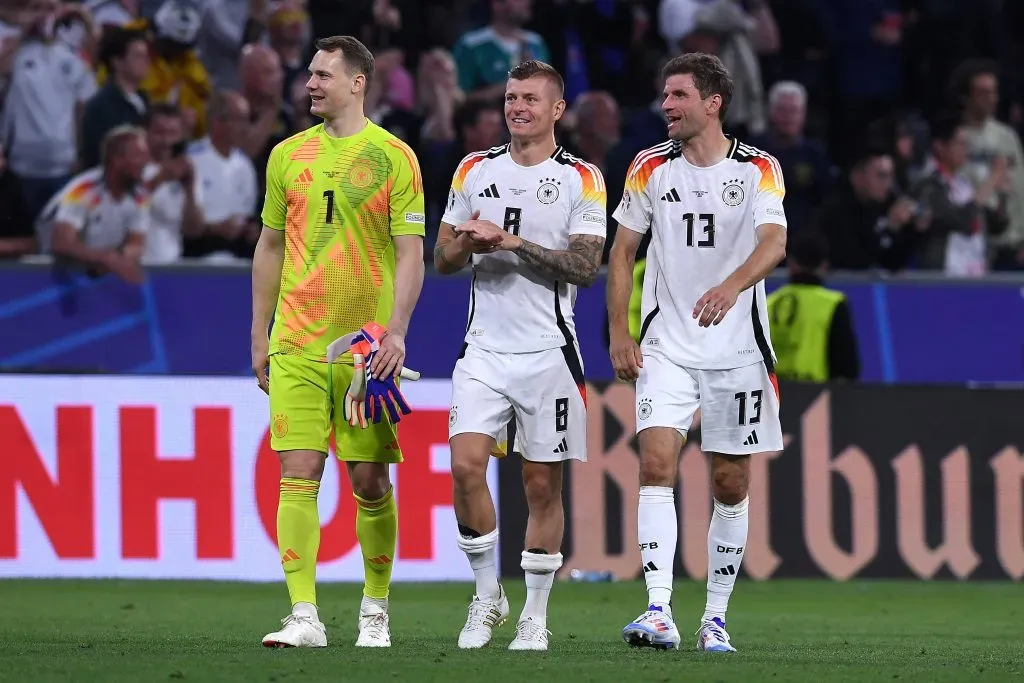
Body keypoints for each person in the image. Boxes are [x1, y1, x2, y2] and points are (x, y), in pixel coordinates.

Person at [607, 52, 787, 653]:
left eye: (679, 95)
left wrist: (732, 286)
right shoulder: (648, 167)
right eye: (664, 95)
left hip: (738, 350)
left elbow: (775, 242)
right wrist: (618, 332)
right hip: (667, 347)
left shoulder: (759, 168)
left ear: (713, 103)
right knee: (655, 463)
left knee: (730, 483)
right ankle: (658, 609)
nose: (666, 105)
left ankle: (715, 617)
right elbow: (623, 253)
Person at [251, 35, 426, 650]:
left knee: (369, 480)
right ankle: (304, 616)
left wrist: (396, 333)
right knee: (297, 473)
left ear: (359, 82)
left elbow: (411, 253)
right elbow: (269, 246)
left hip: (363, 350)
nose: (311, 84)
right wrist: (259, 332)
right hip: (295, 339)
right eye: (309, 74)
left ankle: (374, 609)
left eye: (324, 74)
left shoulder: (394, 157)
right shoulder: (285, 156)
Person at [433, 59, 606, 651]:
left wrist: (510, 242)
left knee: (540, 485)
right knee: (463, 468)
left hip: (550, 352)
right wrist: (464, 242)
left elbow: (585, 267)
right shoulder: (474, 169)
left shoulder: (583, 178)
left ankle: (535, 612)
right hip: (482, 348)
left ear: (557, 109)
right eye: (510, 97)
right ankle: (488, 597)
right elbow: (442, 261)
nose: (516, 107)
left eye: (530, 99)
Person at [766, 232, 860, 382]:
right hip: (813, 394)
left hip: (771, 395)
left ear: (791, 264)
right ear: (824, 265)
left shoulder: (768, 303)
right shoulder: (833, 303)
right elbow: (847, 367)